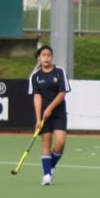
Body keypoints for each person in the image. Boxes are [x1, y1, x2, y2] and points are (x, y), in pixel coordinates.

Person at [28, 44, 70, 185]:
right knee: (46, 142)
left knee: (60, 141)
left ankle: (50, 165)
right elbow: (37, 97)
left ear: (52, 57)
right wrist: (38, 118)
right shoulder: (35, 76)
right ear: (39, 58)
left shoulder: (59, 72)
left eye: (49, 55)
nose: (46, 58)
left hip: (58, 112)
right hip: (43, 114)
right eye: (43, 55)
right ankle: (46, 176)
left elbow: (62, 93)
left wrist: (50, 108)